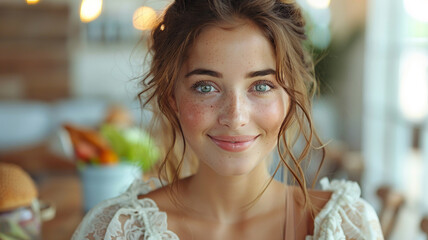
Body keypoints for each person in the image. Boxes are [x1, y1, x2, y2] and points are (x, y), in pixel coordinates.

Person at [72, 0, 384, 239]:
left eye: (261, 86)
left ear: (291, 96)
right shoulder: (119, 229)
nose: (235, 117)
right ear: (172, 98)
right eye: (205, 87)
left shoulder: (345, 225)